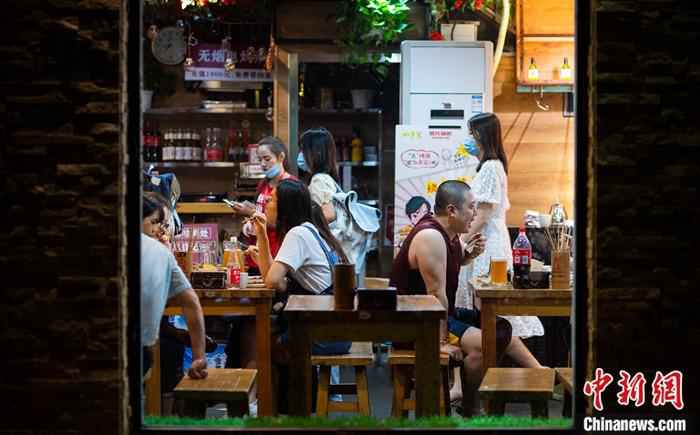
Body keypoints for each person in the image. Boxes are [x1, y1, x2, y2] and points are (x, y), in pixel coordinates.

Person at [390, 180, 542, 415]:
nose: (475, 214)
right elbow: (435, 294)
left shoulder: (449, 234)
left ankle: (466, 397)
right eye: (471, 207)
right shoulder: (430, 235)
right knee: (483, 344)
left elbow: (451, 265)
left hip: (435, 315)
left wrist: (468, 256)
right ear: (451, 211)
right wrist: (441, 345)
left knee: (500, 328)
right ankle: (471, 406)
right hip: (415, 323)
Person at [247, 179, 351, 411]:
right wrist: (262, 235)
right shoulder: (310, 230)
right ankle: (274, 406)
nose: (267, 204)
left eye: (272, 200)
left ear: (286, 206)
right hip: (338, 329)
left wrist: (263, 238)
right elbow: (278, 283)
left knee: (261, 343)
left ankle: (273, 408)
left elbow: (272, 282)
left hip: (323, 334)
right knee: (264, 337)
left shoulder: (298, 234)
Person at [458, 113, 545, 341]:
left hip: (488, 241)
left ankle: (523, 366)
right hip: (487, 238)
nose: (469, 138)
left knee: (492, 307)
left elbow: (484, 214)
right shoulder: (489, 166)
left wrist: (462, 240)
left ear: (482, 135)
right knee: (488, 308)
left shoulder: (491, 167)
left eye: (472, 133)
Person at [297, 127, 379, 285]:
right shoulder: (327, 178)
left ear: (314, 153)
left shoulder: (319, 180)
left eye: (303, 149)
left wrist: (304, 225)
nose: (300, 155)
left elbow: (328, 215)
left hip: (335, 255)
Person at [141, 192, 208, 382]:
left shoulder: (160, 251)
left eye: (160, 224)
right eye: (153, 222)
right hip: (141, 351)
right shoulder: (159, 252)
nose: (157, 230)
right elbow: (191, 302)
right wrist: (199, 357)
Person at [231, 136, 297, 271]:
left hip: (276, 255)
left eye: (267, 159)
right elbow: (263, 212)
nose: (262, 164)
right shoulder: (264, 183)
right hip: (256, 253)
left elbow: (283, 222)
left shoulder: (290, 186)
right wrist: (250, 216)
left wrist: (251, 212)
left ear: (281, 157)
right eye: (259, 159)